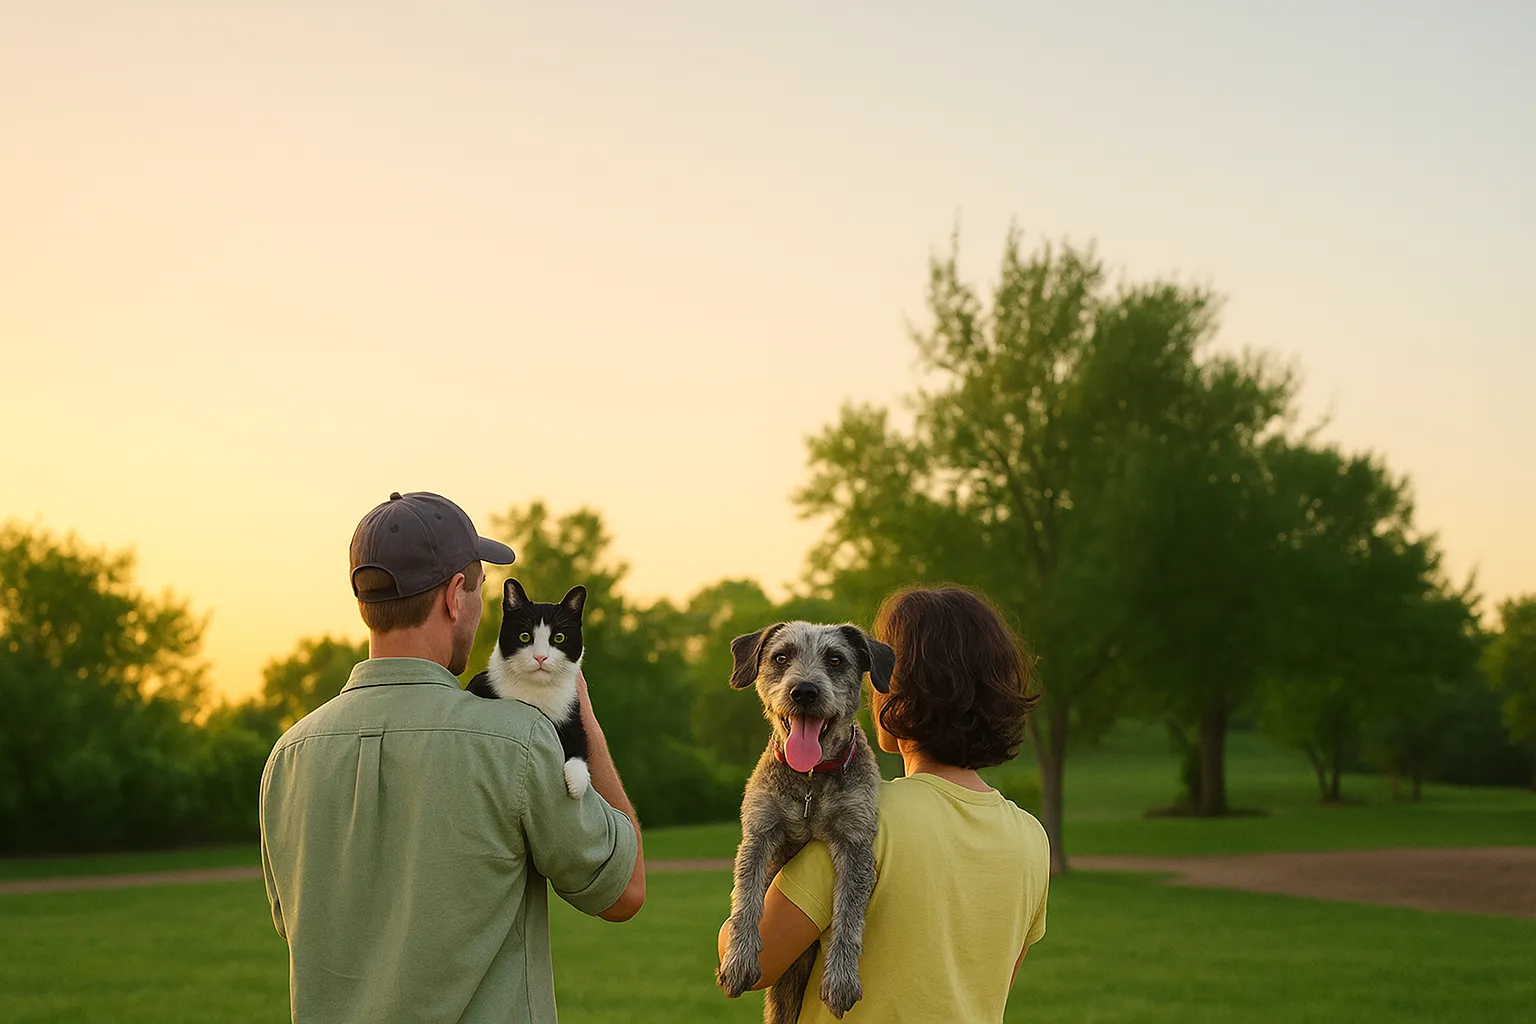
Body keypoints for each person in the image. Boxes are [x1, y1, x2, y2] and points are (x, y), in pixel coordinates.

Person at [260, 491, 644, 1024]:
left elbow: (296, 924)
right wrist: (581, 711)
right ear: (454, 597)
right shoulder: (518, 742)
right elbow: (624, 891)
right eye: (480, 590)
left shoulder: (287, 757)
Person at [718, 584, 1048, 1023]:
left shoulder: (871, 819)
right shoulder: (1033, 838)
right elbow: (993, 982)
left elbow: (756, 964)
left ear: (893, 690)